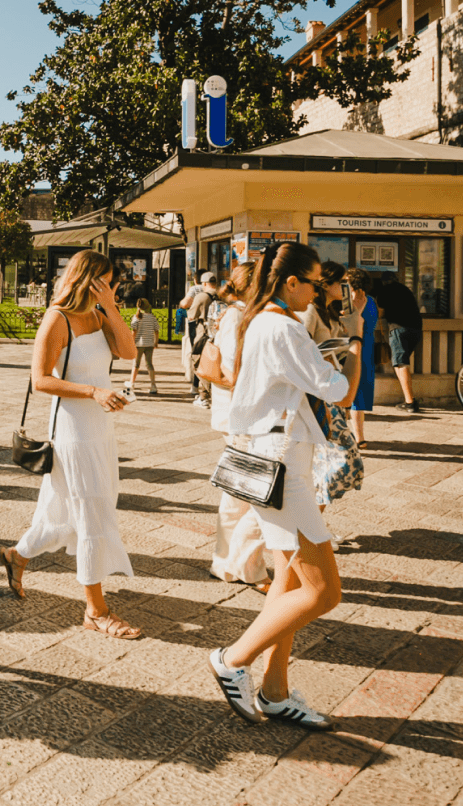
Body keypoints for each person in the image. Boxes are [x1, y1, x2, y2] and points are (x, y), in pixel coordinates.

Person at [208, 241, 364, 731]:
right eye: (315, 282)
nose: (320, 291)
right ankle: (232, 660)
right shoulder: (282, 326)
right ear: (290, 281)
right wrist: (355, 345)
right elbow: (339, 392)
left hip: (271, 458)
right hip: (282, 469)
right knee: (324, 592)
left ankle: (275, 691)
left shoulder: (262, 320)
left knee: (289, 581)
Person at [0, 250, 141, 639]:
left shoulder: (97, 314)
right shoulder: (56, 318)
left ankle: (17, 555)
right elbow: (41, 380)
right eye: (107, 282)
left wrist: (111, 306)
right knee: (93, 510)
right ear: (88, 279)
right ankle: (96, 610)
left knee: (69, 510)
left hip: (100, 425)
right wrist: (93, 390)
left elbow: (127, 352)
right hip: (74, 428)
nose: (112, 288)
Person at [207, 262, 268, 589]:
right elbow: (233, 370)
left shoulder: (241, 314)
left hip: (243, 415)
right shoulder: (237, 317)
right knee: (249, 493)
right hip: (242, 416)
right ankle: (247, 566)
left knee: (238, 494)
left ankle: (228, 564)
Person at [303, 263, 365, 511]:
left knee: (330, 465)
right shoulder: (310, 311)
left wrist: (355, 311)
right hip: (317, 395)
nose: (348, 287)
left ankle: (316, 528)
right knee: (329, 465)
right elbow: (301, 350)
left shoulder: (329, 311)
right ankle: (314, 532)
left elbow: (343, 343)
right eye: (343, 282)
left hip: (331, 390)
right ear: (326, 284)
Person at [376, 271, 423, 411]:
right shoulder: (405, 289)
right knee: (403, 362)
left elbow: (380, 312)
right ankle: (409, 400)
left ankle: (410, 403)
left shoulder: (384, 291)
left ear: (383, 282)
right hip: (416, 329)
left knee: (400, 364)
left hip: (399, 329)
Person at [344, 268, 376, 450]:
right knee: (360, 393)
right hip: (368, 348)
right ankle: (360, 437)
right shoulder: (371, 301)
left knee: (349, 391)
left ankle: (357, 437)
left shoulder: (351, 303)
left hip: (354, 347)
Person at [185, 273, 218, 408]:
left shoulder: (202, 296)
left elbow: (191, 315)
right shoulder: (223, 295)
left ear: (203, 283)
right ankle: (204, 395)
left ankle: (208, 395)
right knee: (213, 364)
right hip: (219, 334)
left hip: (204, 334)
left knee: (198, 362)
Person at [128, 298, 159, 395]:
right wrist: (156, 342)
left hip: (138, 344)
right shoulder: (152, 317)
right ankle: (153, 385)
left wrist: (131, 342)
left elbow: (134, 331)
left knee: (136, 364)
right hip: (149, 344)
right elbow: (156, 330)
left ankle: (132, 383)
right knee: (149, 364)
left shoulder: (137, 317)